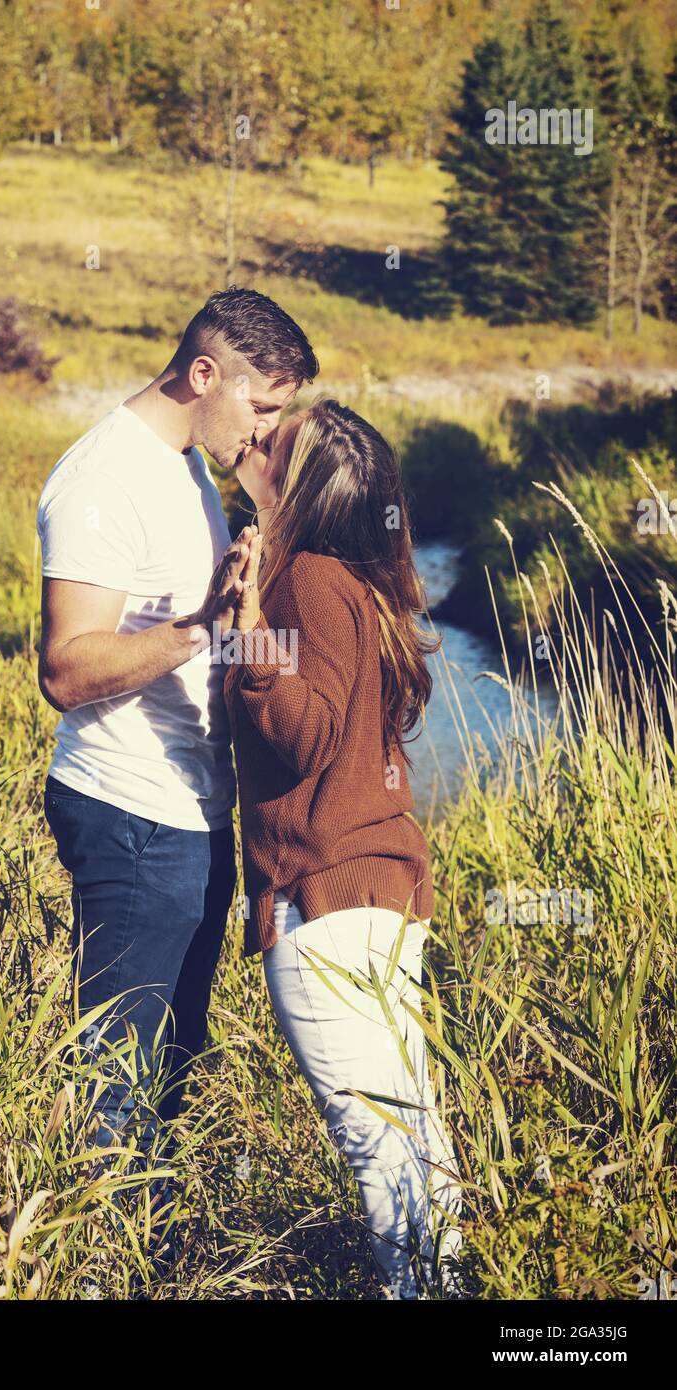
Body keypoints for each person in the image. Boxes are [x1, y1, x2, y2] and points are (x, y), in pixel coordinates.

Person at [36, 287, 318, 1155]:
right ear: (205, 374)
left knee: (172, 1072)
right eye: (261, 407)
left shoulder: (189, 462)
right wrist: (200, 624)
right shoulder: (100, 481)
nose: (266, 431)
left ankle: (154, 1251)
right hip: (129, 816)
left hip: (193, 813)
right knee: (115, 1085)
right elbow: (66, 668)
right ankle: (89, 1265)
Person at [223, 398, 465, 1298]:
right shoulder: (353, 579)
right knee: (415, 1151)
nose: (256, 440)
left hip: (324, 908)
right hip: (379, 902)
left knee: (387, 1164)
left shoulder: (311, 580)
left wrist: (249, 624)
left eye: (275, 441)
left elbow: (307, 733)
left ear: (299, 483)